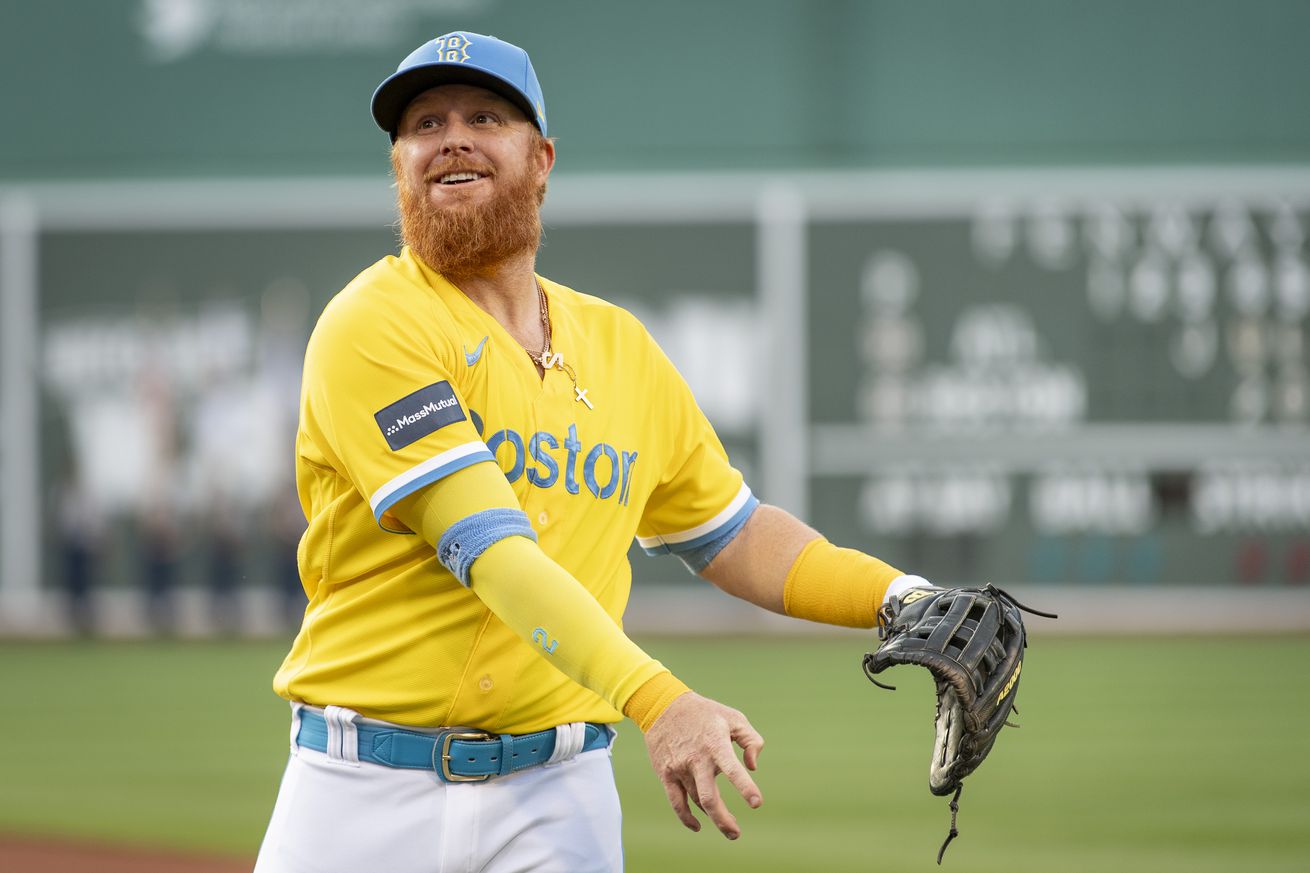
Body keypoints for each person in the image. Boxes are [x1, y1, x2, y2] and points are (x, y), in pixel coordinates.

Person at [255, 31, 931, 873]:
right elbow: (492, 552)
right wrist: (661, 701)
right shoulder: (373, 324)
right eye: (423, 123)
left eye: (484, 115)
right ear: (399, 162)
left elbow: (734, 533)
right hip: (361, 793)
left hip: (556, 794)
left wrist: (903, 597)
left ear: (540, 159)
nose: (451, 137)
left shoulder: (620, 347)